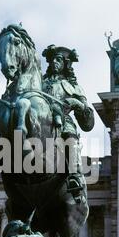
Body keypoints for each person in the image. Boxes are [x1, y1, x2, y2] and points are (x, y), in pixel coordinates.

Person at [42, 45, 94, 201]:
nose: (54, 63)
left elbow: (88, 120)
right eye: (52, 60)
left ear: (65, 64)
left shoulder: (73, 87)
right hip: (38, 121)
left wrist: (74, 102)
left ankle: (74, 175)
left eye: (58, 60)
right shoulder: (38, 83)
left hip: (63, 121)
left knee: (70, 139)